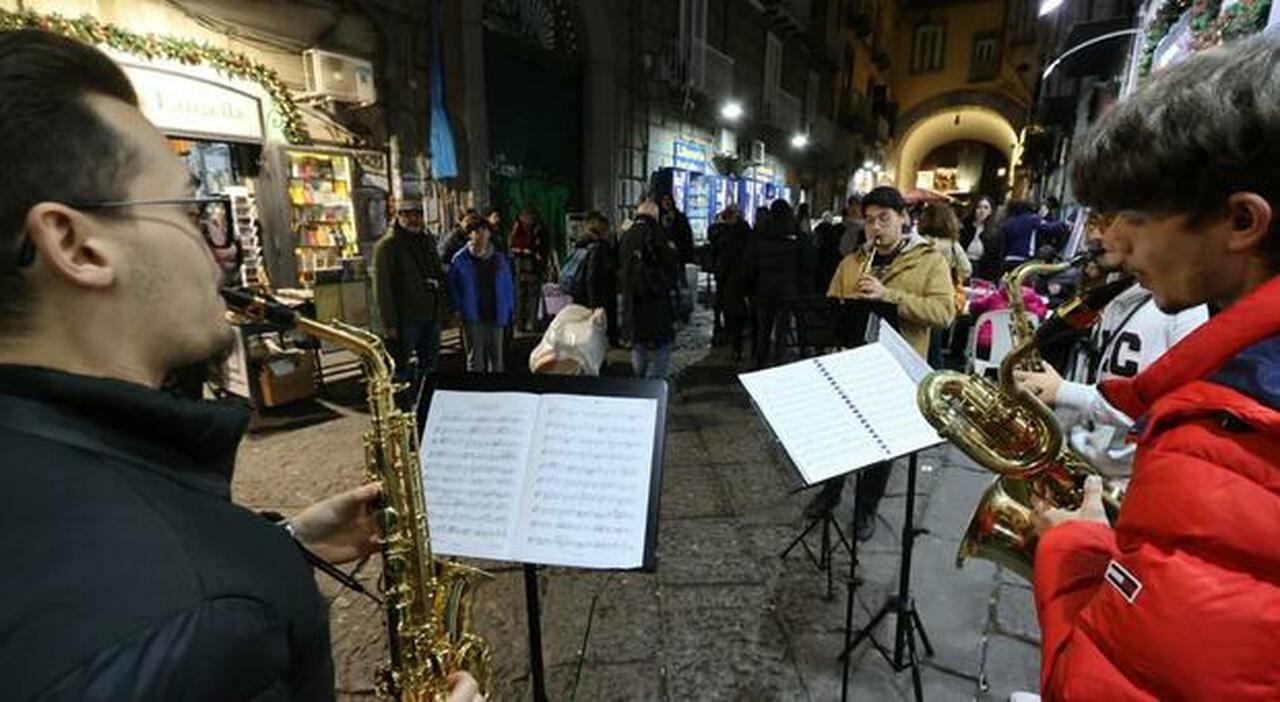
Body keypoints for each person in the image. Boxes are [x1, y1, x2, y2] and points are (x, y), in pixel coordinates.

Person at [0, 30, 482, 701]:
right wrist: (230, 580)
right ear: (75, 244)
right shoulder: (196, 621)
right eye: (188, 210)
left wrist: (280, 542)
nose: (217, 251)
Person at [1030, 34, 1280, 700]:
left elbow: (1107, 686)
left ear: (1241, 220)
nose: (1119, 240)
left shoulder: (1229, 431)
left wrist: (1074, 549)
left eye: (1137, 216)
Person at [1013, 216, 1208, 477]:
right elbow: (1096, 380)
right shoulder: (1116, 300)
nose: (1096, 237)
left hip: (1127, 482)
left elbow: (1166, 414)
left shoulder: (1186, 309)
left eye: (1105, 223)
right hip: (1084, 468)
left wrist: (1063, 392)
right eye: (1090, 224)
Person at [818, 186, 956, 538]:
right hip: (852, 365)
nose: (875, 228)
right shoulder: (851, 262)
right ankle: (829, 492)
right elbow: (832, 303)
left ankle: (867, 507)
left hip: (895, 369)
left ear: (903, 219)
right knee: (838, 435)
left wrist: (888, 296)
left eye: (884, 219)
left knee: (881, 444)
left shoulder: (930, 261)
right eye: (869, 221)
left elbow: (944, 313)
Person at [374, 199, 448, 384]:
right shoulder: (388, 245)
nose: (414, 219)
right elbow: (383, 287)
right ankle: (402, 407)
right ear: (398, 217)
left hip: (431, 313)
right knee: (400, 367)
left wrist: (443, 308)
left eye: (418, 215)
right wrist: (389, 323)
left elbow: (437, 272)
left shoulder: (427, 240)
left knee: (430, 366)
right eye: (407, 215)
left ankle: (425, 403)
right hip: (405, 317)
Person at [744, 199, 811, 367]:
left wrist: (749, 288)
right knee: (782, 329)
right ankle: (779, 361)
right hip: (787, 289)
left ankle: (761, 362)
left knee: (763, 329)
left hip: (763, 288)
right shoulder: (794, 232)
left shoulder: (759, 232)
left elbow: (750, 263)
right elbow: (807, 262)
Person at [620, 200, 681, 379]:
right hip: (656, 299)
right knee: (664, 343)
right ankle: (655, 381)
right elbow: (670, 263)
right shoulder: (658, 233)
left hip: (632, 299)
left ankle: (639, 380)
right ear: (655, 215)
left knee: (638, 344)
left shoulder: (626, 234)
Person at [448, 218, 515, 373]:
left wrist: (510, 309)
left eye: (484, 231)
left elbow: (508, 285)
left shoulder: (499, 259)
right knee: (475, 359)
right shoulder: (460, 259)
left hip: (496, 313)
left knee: (497, 359)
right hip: (473, 315)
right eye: (476, 231)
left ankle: (496, 393)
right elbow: (453, 287)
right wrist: (458, 308)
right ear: (469, 235)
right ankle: (476, 392)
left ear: (490, 234)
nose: (480, 235)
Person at [919, 204, 971, 368]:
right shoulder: (952, 244)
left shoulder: (919, 241)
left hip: (920, 292)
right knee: (936, 344)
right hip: (943, 293)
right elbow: (966, 268)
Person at [566, 211, 619, 345]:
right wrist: (594, 304)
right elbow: (594, 276)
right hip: (597, 297)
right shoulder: (599, 247)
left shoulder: (582, 243)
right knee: (595, 334)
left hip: (581, 294)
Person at [709, 204, 752, 360]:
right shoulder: (746, 233)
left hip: (728, 279)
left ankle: (732, 342)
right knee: (738, 312)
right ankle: (737, 344)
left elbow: (720, 257)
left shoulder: (725, 235)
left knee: (729, 310)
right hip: (742, 279)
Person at [509, 205, 549, 333]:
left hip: (519, 267)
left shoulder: (516, 228)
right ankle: (532, 323)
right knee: (533, 297)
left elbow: (510, 247)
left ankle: (520, 324)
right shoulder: (539, 228)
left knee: (520, 297)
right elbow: (543, 249)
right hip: (533, 268)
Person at [962, 195, 1001, 282]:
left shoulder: (995, 232)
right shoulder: (965, 227)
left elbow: (996, 259)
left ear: (990, 211)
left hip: (982, 271)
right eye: (979, 207)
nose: (982, 211)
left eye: (986, 208)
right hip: (964, 267)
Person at [660, 192, 696, 265]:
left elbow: (687, 237)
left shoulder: (681, 218)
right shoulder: (658, 218)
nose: (667, 202)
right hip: (663, 257)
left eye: (669, 200)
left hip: (679, 256)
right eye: (664, 200)